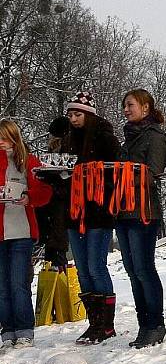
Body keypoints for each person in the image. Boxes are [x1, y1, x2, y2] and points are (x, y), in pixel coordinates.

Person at [115, 89, 166, 348]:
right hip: (123, 211)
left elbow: (153, 173)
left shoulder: (155, 138)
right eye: (124, 105)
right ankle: (143, 324)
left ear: (146, 107)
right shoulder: (127, 140)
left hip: (143, 212)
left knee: (143, 269)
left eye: (130, 105)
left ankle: (155, 323)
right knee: (132, 271)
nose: (126, 110)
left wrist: (125, 173)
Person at [64, 91, 120, 344]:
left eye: (78, 114)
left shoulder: (105, 140)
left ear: (88, 115)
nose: (74, 119)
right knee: (83, 269)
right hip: (74, 212)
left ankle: (106, 324)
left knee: (96, 266)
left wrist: (92, 180)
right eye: (71, 114)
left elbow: (115, 175)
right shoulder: (68, 141)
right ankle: (94, 322)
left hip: (99, 211)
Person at [0, 119, 52, 349]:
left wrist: (30, 197)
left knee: (18, 282)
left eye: (4, 138)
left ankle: (24, 329)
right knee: (2, 284)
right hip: (1, 232)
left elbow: (44, 192)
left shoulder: (29, 161)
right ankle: (7, 330)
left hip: (21, 230)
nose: (1, 143)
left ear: (13, 138)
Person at [34, 116, 71, 271]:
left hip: (57, 212)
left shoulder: (64, 155)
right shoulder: (56, 155)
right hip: (54, 214)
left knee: (56, 254)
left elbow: (63, 183)